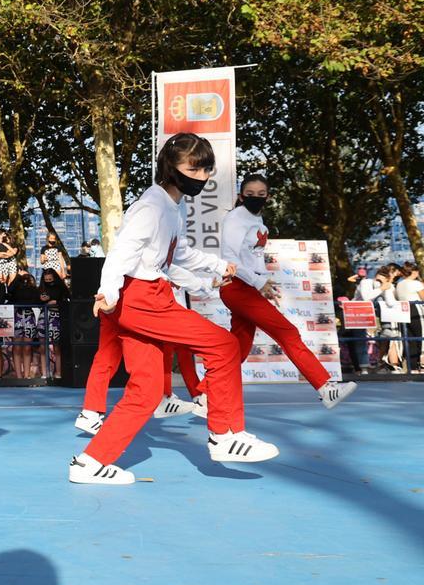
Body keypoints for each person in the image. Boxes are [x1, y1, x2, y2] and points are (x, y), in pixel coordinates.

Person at [69, 133, 276, 486]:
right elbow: (122, 252)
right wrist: (107, 291)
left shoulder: (172, 206)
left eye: (207, 168)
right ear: (170, 167)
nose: (203, 175)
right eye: (194, 167)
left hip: (149, 294)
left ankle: (89, 462)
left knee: (147, 391)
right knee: (224, 346)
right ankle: (225, 435)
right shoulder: (152, 207)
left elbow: (175, 256)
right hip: (142, 298)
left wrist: (214, 268)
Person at [211, 174, 356, 408]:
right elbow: (230, 259)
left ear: (267, 197)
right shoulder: (236, 219)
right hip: (238, 288)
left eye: (261, 194)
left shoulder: (257, 221)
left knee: (239, 347)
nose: (255, 198)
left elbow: (254, 260)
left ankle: (204, 392)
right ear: (240, 196)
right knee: (288, 333)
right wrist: (258, 284)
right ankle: (325, 387)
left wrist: (263, 284)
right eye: (250, 195)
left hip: (247, 289)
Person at [395, 262, 423, 371]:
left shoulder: (400, 284)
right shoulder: (416, 284)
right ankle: (419, 364)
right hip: (416, 309)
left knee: (409, 339)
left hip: (403, 310)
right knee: (420, 337)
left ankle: (412, 367)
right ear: (414, 272)